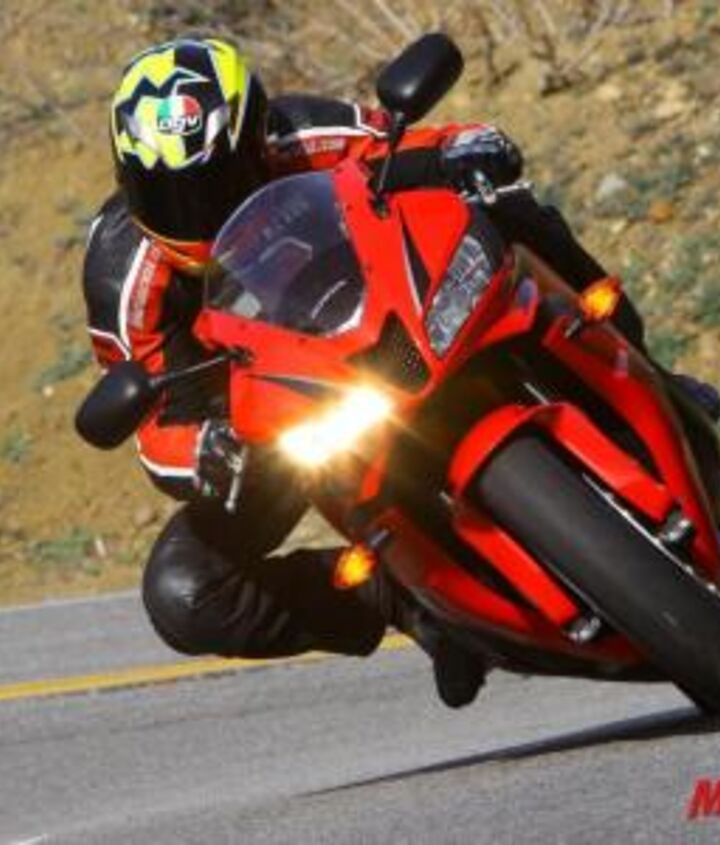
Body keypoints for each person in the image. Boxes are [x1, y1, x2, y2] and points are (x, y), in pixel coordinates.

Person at [82, 36, 718, 709]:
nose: (198, 210)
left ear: (257, 137)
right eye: (166, 194)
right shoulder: (124, 276)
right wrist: (205, 448)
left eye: (216, 181)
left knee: (503, 203)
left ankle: (647, 375)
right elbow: (152, 420)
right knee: (182, 590)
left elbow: (404, 144)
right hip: (276, 413)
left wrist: (464, 148)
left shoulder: (299, 134)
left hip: (387, 322)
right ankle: (413, 603)